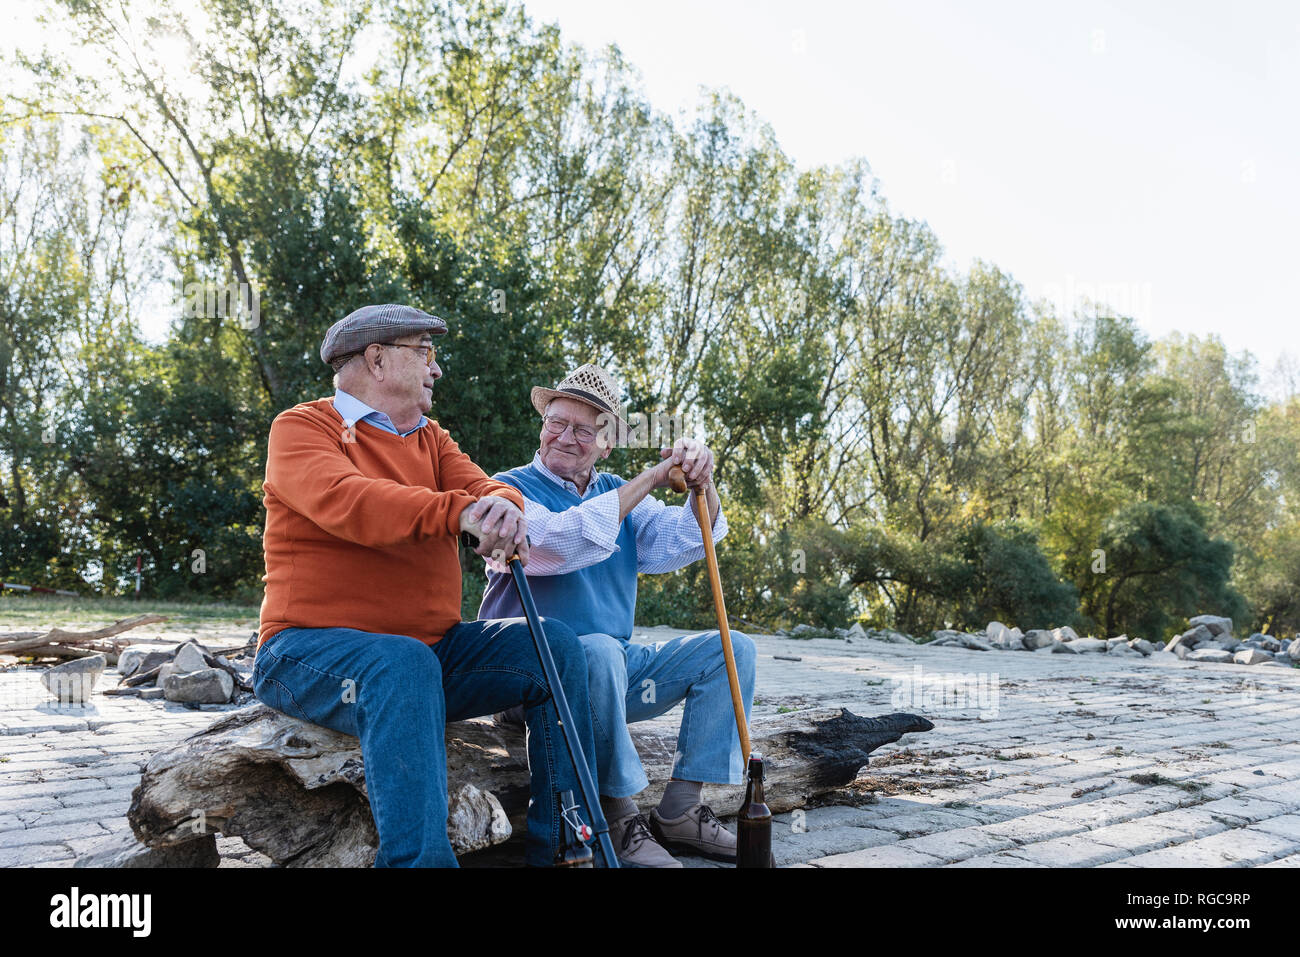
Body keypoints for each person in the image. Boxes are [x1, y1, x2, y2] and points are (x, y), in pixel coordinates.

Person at [253, 303, 602, 867]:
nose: (436, 368)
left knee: (555, 646)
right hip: (305, 652)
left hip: (428, 653)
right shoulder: (302, 428)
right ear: (377, 360)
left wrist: (504, 509)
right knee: (401, 662)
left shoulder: (430, 439)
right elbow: (350, 502)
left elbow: (489, 487)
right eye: (425, 353)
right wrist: (462, 515)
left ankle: (562, 844)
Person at [479, 363, 756, 868]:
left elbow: (697, 539)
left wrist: (703, 480)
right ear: (542, 426)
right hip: (535, 679)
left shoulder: (616, 493)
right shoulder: (507, 489)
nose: (565, 437)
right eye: (556, 423)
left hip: (614, 673)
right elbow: (555, 544)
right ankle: (620, 815)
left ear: (606, 444)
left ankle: (682, 809)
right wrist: (652, 476)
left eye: (584, 430)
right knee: (599, 651)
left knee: (733, 649)